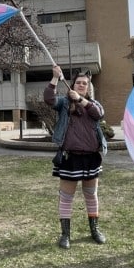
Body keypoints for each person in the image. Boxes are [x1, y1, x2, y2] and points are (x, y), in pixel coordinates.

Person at [44, 64, 107, 249]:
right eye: (78, 83)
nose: (81, 85)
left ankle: (94, 230)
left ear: (89, 87)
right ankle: (65, 235)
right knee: (66, 197)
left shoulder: (93, 104)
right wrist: (55, 78)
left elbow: (98, 114)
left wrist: (80, 100)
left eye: (85, 83)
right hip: (70, 158)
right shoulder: (64, 103)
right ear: (72, 85)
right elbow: (48, 99)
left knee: (91, 195)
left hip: (91, 158)